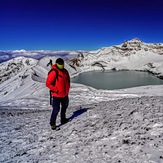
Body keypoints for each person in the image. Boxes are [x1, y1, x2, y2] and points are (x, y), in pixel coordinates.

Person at [46, 58, 70, 130]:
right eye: (60, 64)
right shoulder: (54, 72)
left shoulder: (65, 71)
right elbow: (48, 83)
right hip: (56, 95)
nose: (61, 65)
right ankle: (52, 124)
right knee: (56, 109)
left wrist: (67, 90)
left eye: (62, 63)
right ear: (57, 64)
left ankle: (63, 119)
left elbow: (67, 81)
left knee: (64, 108)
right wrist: (56, 89)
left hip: (65, 95)